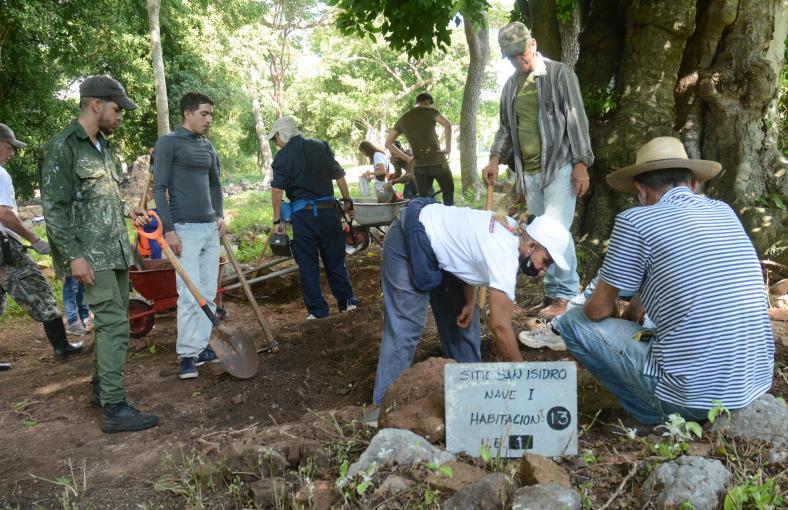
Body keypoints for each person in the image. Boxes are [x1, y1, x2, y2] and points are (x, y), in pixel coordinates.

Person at [526, 137, 775, 425]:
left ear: (642, 191)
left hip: (691, 398)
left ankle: (652, 414)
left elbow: (596, 311)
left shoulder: (636, 221)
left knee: (571, 322)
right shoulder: (724, 212)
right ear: (693, 184)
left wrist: (620, 320)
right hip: (752, 385)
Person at [40, 75, 159, 433]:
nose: (120, 114)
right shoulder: (62, 147)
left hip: (115, 250)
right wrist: (73, 256)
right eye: (116, 108)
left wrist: (128, 210)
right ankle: (114, 407)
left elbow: (100, 196)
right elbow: (55, 209)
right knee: (115, 326)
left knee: (111, 325)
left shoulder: (101, 147)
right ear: (96, 105)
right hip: (90, 257)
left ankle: (100, 390)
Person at [372, 198, 571, 404]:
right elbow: (500, 326)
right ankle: (382, 407)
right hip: (409, 237)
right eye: (546, 261)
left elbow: (469, 256)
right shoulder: (505, 252)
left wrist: (469, 301)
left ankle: (470, 394)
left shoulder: (512, 229)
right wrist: (524, 376)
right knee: (406, 326)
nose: (543, 271)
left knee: (464, 317)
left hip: (439, 249)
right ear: (532, 245)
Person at [481, 21, 594, 320]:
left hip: (559, 165)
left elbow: (576, 119)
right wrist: (494, 158)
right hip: (528, 171)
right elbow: (506, 128)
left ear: (533, 44)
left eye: (521, 52)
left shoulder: (559, 74)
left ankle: (566, 296)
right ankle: (553, 295)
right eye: (511, 57)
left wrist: (581, 163)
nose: (519, 60)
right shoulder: (510, 87)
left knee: (555, 232)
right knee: (541, 234)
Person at [152, 92, 226, 380]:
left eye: (211, 115)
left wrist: (219, 215)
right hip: (183, 229)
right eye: (204, 114)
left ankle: (202, 347)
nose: (209, 119)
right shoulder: (169, 143)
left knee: (208, 292)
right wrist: (168, 229)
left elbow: (216, 185)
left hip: (209, 228)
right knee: (188, 295)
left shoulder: (208, 146)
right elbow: (159, 188)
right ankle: (186, 354)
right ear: (187, 113)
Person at [0, 123, 83, 368]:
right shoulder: (0, 173)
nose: (12, 152)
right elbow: (4, 214)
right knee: (41, 292)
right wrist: (34, 240)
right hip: (5, 247)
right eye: (9, 146)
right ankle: (61, 346)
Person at [268, 116, 359, 319]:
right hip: (329, 213)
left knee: (308, 264)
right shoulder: (321, 146)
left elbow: (276, 191)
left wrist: (277, 221)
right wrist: (347, 201)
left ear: (280, 134)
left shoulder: (282, 158)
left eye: (275, 139)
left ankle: (318, 312)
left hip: (304, 217)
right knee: (335, 260)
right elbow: (339, 175)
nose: (276, 143)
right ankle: (347, 302)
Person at [386, 92, 454, 205]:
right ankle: (449, 218)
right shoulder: (431, 111)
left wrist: (407, 158)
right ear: (428, 102)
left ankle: (427, 221)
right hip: (438, 162)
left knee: (425, 202)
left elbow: (388, 143)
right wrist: (448, 148)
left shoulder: (403, 118)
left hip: (419, 166)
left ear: (417, 102)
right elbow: (447, 124)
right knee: (448, 194)